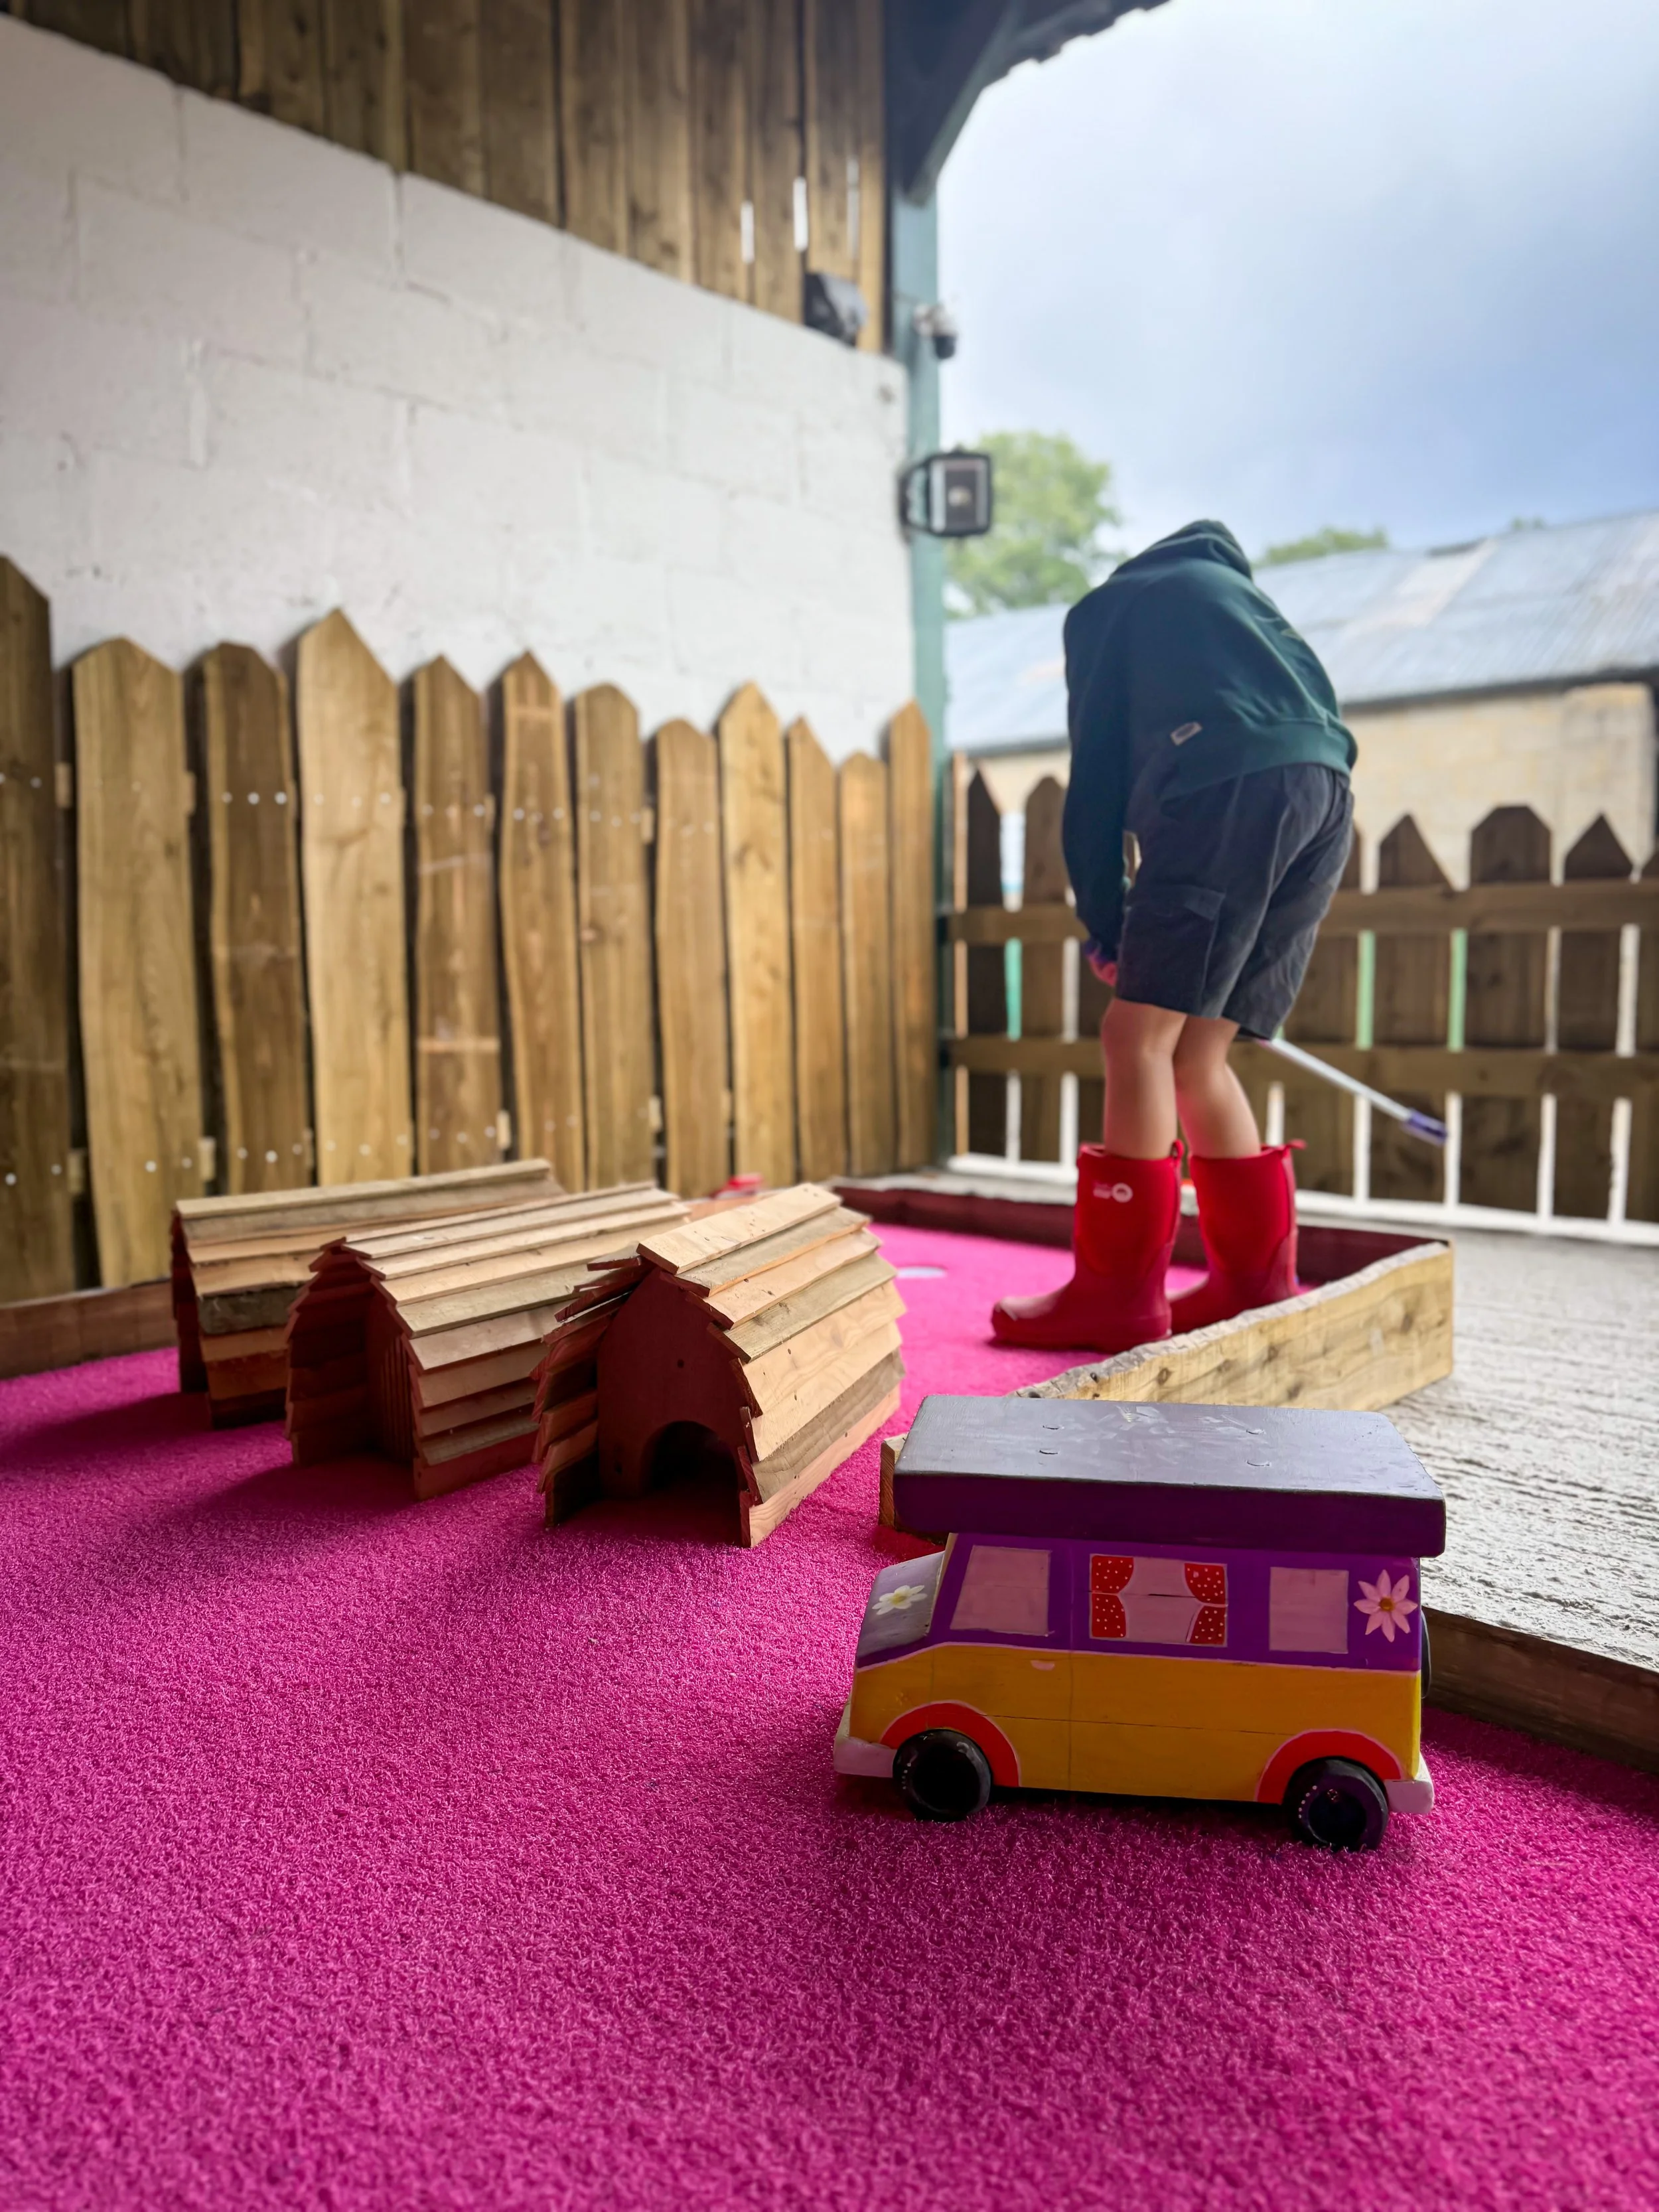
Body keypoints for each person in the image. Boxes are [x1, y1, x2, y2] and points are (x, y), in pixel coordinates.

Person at [991, 520, 1356, 1353]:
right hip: (1326, 799)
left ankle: (1117, 1297)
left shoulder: (1112, 608)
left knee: (1135, 1037)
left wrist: (1104, 917)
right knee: (1197, 1051)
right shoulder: (1246, 609)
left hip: (1225, 785)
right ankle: (1254, 1286)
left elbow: (1094, 785)